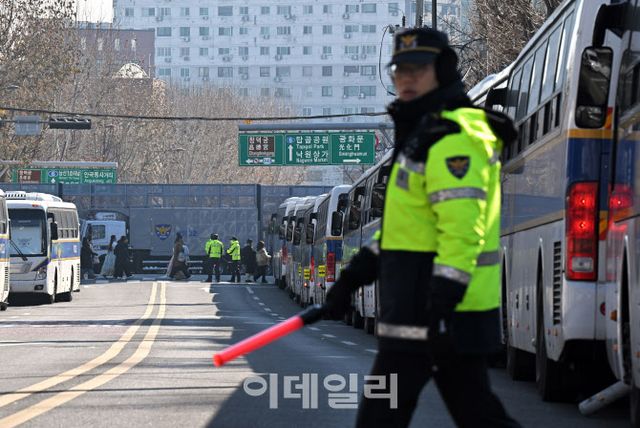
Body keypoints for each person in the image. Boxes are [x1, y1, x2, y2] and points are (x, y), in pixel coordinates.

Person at [324, 27, 520, 428]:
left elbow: (463, 229)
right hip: (422, 311)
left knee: (382, 419)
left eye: (419, 69)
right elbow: (406, 229)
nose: (407, 79)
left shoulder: (450, 138)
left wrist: (441, 303)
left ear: (442, 71)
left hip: (439, 313)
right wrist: (352, 279)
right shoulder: (421, 134)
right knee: (477, 415)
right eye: (400, 71)